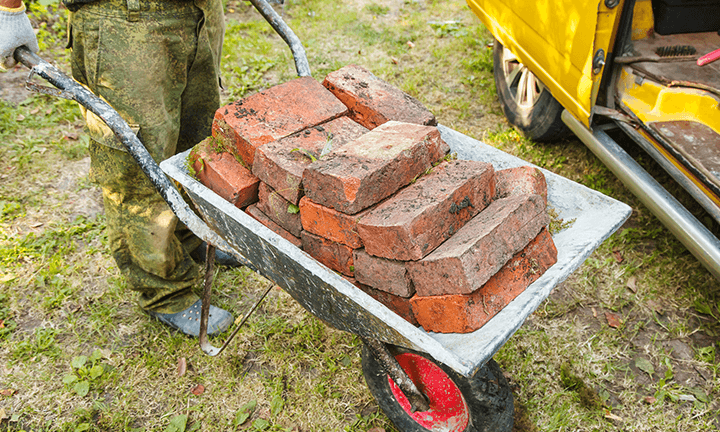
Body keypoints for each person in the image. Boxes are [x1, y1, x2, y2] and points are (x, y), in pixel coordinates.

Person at [0, 0, 240, 337]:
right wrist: (9, 10)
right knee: (139, 165)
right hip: (125, 22)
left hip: (199, 12)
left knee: (194, 141)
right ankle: (163, 291)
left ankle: (188, 239)